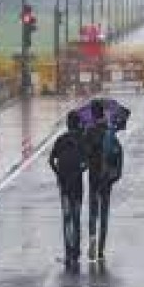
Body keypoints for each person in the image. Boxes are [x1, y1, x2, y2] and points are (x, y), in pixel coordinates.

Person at [85, 100, 123, 262]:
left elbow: (85, 154)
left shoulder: (89, 131)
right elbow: (118, 153)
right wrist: (116, 175)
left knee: (93, 211)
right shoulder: (110, 132)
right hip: (107, 177)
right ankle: (101, 249)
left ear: (93, 114)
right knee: (104, 212)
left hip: (94, 176)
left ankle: (92, 238)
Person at [49, 110, 86, 273]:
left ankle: (68, 252)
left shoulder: (61, 139)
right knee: (76, 218)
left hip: (64, 185)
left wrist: (58, 173)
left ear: (67, 124)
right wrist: (80, 171)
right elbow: (87, 162)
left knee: (67, 218)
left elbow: (51, 160)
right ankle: (76, 251)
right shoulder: (82, 140)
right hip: (77, 185)